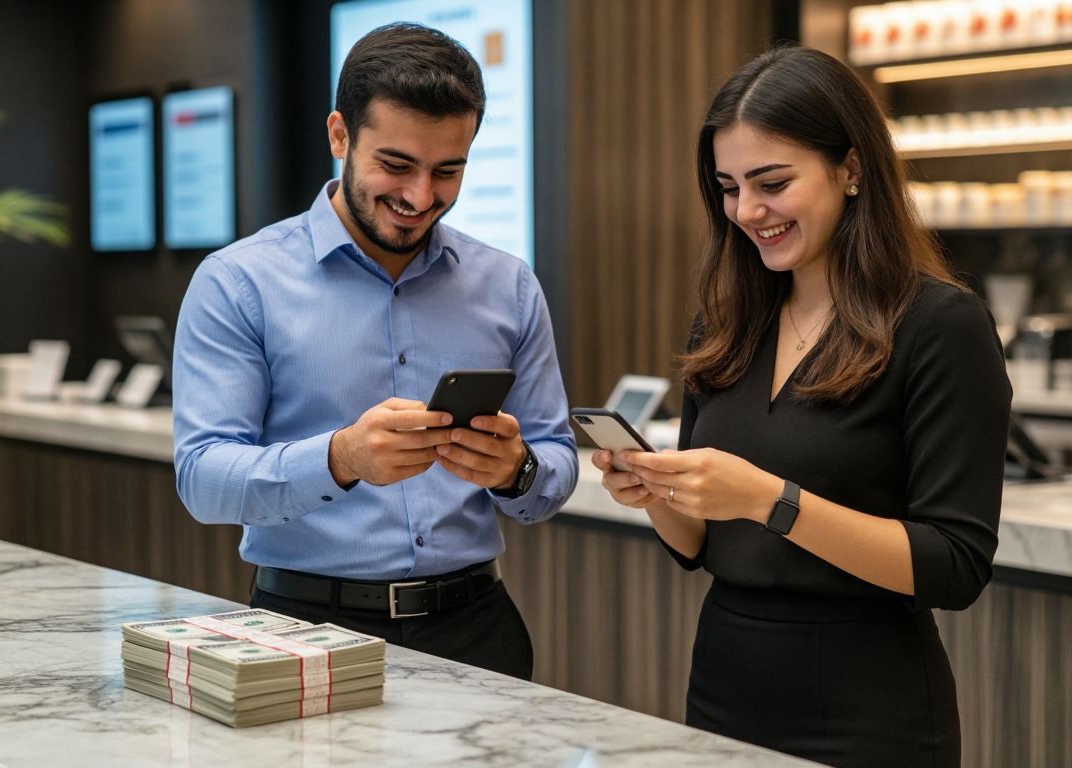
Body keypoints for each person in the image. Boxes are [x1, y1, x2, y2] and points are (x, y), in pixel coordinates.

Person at [592, 45, 1010, 767]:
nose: (748, 211)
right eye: (728, 187)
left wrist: (770, 500)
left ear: (851, 169)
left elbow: (954, 564)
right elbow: (698, 547)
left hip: (869, 710)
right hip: (722, 689)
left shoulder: (940, 326)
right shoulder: (724, 326)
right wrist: (656, 492)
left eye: (773, 182)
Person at [172, 23, 576, 680]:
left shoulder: (508, 286)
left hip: (480, 632)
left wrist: (516, 471)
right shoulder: (239, 282)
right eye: (395, 165)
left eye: (447, 171)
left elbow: (554, 466)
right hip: (303, 635)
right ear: (340, 135)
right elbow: (203, 479)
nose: (420, 197)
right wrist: (342, 458)